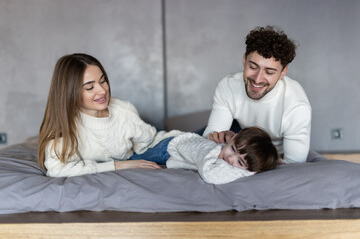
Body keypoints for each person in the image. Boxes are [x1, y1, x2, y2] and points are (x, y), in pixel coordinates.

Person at [38, 53, 181, 177]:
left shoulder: (123, 109)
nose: (102, 90)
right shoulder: (63, 127)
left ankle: (199, 137)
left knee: (176, 145)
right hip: (128, 161)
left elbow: (150, 141)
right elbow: (57, 169)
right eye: (90, 87)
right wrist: (117, 165)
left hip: (139, 153)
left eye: (103, 81)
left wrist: (176, 141)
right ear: (70, 94)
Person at [203, 26, 311, 163]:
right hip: (238, 135)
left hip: (271, 156)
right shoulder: (228, 86)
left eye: (270, 72)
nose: (258, 79)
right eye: (253, 67)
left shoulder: (296, 107)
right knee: (178, 144)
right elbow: (210, 136)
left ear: (283, 72)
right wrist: (219, 136)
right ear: (244, 60)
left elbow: (294, 164)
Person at [166, 127, 279, 184]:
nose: (230, 158)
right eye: (233, 148)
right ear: (233, 138)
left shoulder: (246, 164)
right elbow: (209, 174)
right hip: (171, 145)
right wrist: (244, 170)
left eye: (239, 162)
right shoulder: (211, 150)